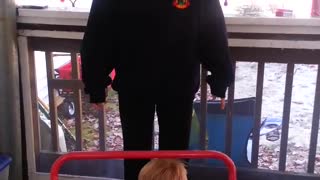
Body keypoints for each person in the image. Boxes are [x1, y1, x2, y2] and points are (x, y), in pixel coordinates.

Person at [80, 0, 234, 179]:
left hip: (173, 85)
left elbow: (212, 29)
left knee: (169, 156)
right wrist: (95, 83)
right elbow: (99, 31)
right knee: (141, 153)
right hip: (140, 84)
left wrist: (220, 79)